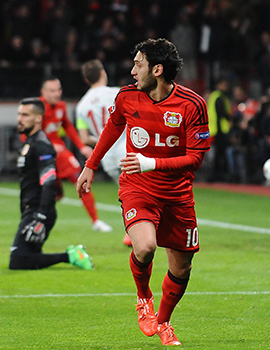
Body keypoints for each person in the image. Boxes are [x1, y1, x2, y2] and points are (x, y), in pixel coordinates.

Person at [76, 38, 211, 346]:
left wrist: (151, 161)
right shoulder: (127, 97)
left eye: (138, 64)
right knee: (146, 246)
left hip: (178, 194)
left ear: (158, 69)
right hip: (138, 186)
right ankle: (143, 298)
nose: (132, 70)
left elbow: (196, 158)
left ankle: (163, 323)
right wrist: (90, 166)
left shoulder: (192, 105)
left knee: (182, 266)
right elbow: (112, 128)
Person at [10, 98, 93, 271]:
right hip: (29, 209)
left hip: (38, 211)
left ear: (38, 118)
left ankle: (71, 255)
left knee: (18, 260)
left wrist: (40, 217)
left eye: (25, 115)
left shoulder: (41, 145)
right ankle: (70, 254)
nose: (20, 118)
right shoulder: (30, 142)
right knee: (29, 257)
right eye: (19, 114)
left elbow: (48, 183)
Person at [39, 77, 112, 232]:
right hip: (42, 155)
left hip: (60, 154)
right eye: (52, 91)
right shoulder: (37, 108)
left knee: (81, 180)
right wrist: (48, 146)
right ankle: (38, 220)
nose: (56, 93)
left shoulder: (61, 106)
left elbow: (67, 126)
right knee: (49, 193)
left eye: (58, 90)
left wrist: (81, 146)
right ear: (43, 92)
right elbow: (27, 135)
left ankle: (96, 221)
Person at [75, 59, 130, 246]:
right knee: (142, 191)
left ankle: (131, 232)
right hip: (127, 149)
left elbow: (84, 138)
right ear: (102, 73)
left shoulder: (82, 106)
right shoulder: (116, 93)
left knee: (125, 194)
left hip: (107, 157)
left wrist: (101, 139)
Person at [207, 78, 231, 182]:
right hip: (218, 131)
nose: (226, 86)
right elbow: (221, 114)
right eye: (224, 84)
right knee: (218, 155)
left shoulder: (215, 96)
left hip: (214, 130)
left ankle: (216, 176)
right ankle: (217, 176)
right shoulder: (219, 97)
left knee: (217, 155)